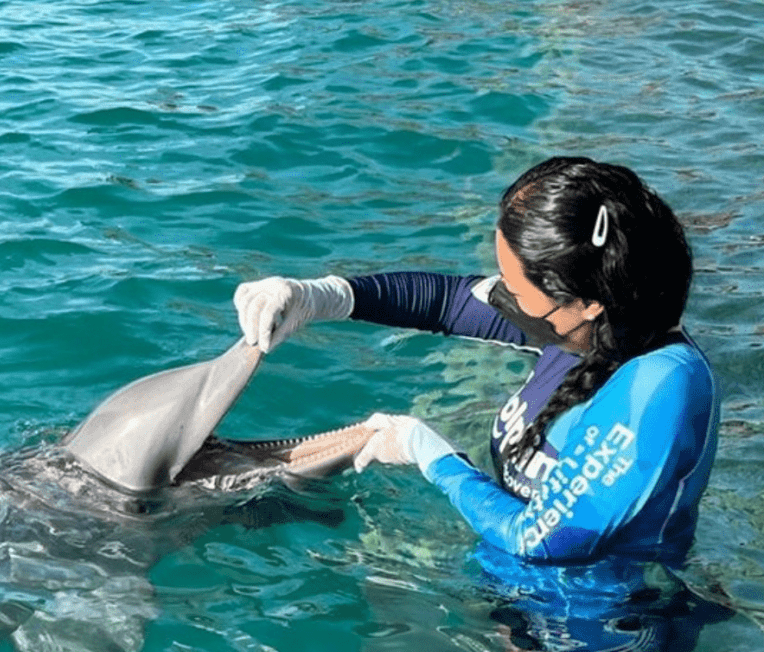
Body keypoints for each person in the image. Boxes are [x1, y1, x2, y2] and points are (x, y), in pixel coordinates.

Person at [233, 157, 719, 565]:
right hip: (508, 585)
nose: (503, 295)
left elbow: (542, 540)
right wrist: (324, 296)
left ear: (585, 301)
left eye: (518, 289)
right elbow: (448, 302)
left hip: (589, 642)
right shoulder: (587, 325)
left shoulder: (660, 387)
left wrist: (431, 455)